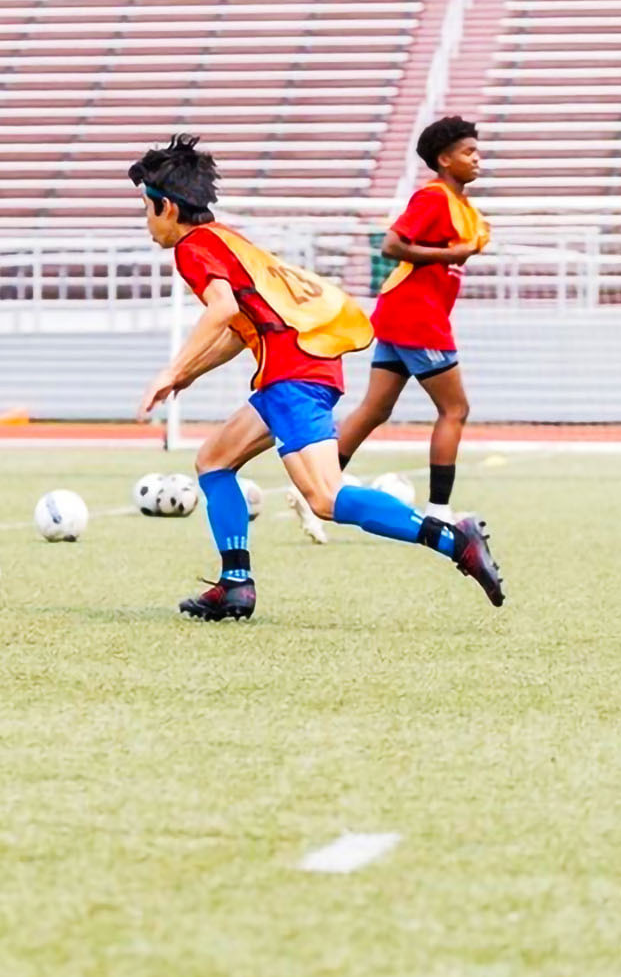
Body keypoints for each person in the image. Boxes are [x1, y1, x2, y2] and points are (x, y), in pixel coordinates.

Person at [128, 135, 504, 620]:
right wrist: (189, 375)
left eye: (146, 208)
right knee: (213, 461)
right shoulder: (227, 240)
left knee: (325, 498)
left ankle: (455, 539)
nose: (146, 221)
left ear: (167, 208)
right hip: (296, 366)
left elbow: (220, 311)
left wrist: (172, 367)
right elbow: (244, 329)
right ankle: (235, 584)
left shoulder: (193, 249)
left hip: (293, 373)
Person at [302, 116, 488, 543]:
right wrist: (452, 253)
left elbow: (469, 243)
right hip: (416, 318)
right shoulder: (434, 197)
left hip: (402, 314)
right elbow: (391, 244)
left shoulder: (462, 207)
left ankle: (313, 486)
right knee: (455, 410)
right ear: (444, 160)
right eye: (468, 152)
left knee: (375, 409)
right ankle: (439, 511)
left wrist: (464, 248)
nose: (477, 158)